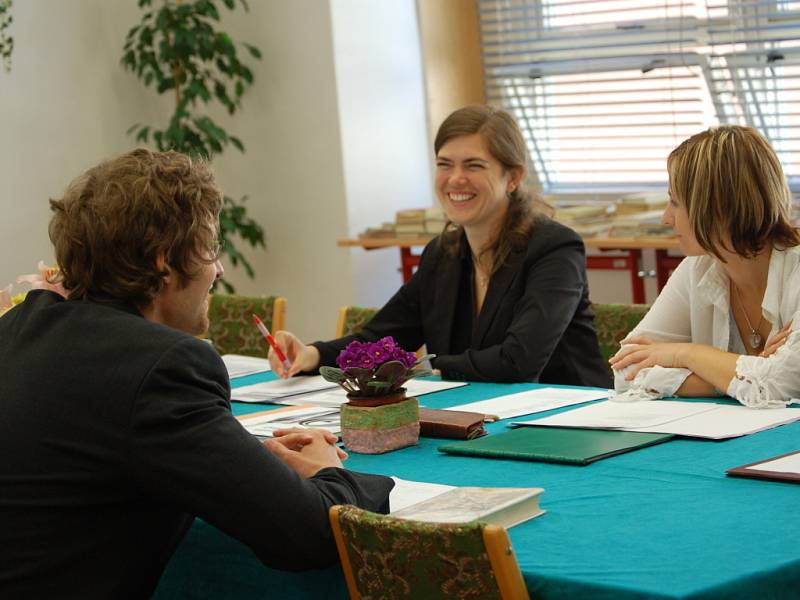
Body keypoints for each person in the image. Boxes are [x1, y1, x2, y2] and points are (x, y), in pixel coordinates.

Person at [0, 149, 393, 599]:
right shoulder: (163, 367)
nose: (219, 268)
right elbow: (309, 537)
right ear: (164, 262)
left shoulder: (16, 329)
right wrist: (330, 473)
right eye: (209, 248)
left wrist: (243, 460)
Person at [270, 105, 609, 386]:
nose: (455, 179)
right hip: (477, 417)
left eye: (474, 165)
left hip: (567, 422)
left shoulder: (554, 248)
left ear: (514, 177)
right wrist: (311, 354)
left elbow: (518, 362)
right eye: (445, 164)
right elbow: (385, 337)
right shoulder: (442, 253)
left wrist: (426, 369)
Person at [610, 125, 800, 408]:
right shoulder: (697, 268)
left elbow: (783, 383)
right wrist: (741, 374)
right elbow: (625, 371)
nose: (666, 218)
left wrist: (686, 354)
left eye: (675, 202)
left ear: (718, 209)